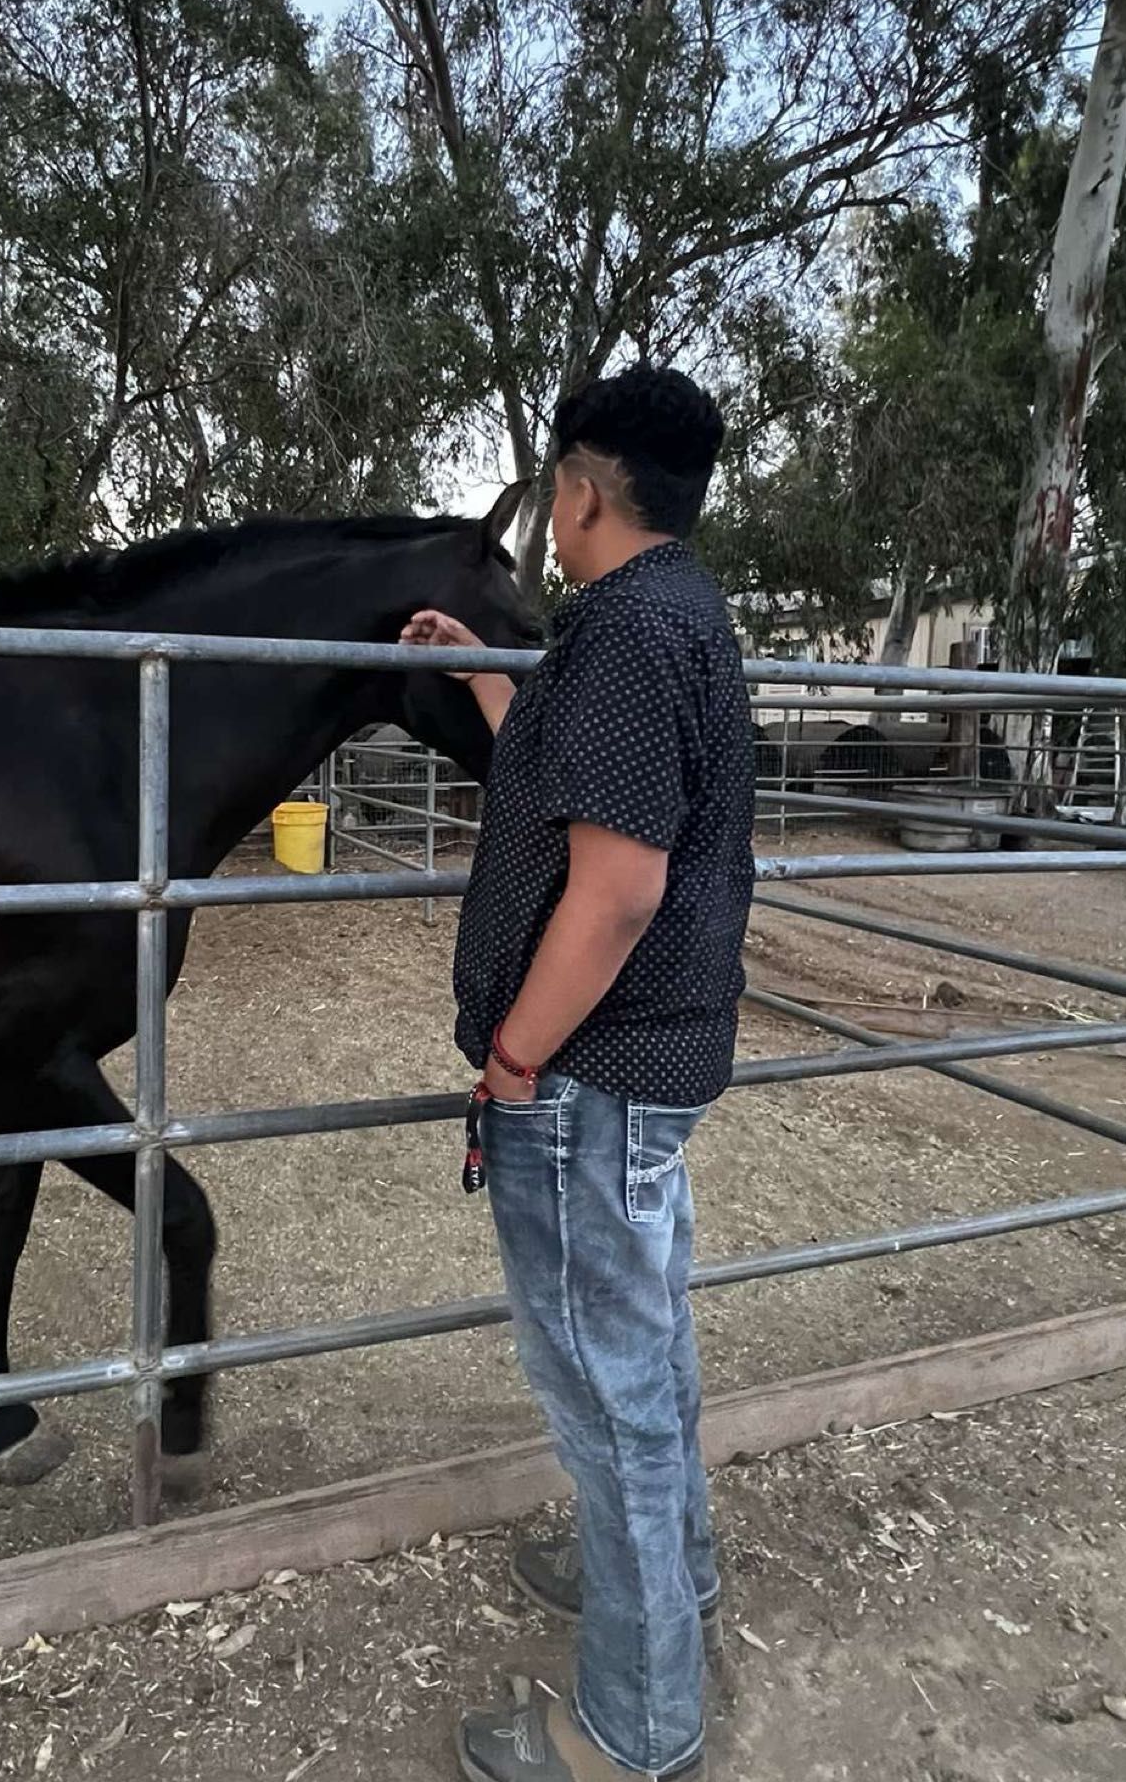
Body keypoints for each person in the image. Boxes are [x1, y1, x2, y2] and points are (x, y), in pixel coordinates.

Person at [401, 363, 755, 1782]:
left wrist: (515, 1057)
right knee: (647, 1347)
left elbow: (611, 891)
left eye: (553, 489)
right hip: (644, 1074)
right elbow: (593, 783)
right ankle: (679, 1578)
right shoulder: (685, 616)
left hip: (587, 1081)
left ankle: (636, 1726)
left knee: (607, 1390)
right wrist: (493, 686)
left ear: (581, 493)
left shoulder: (619, 633)